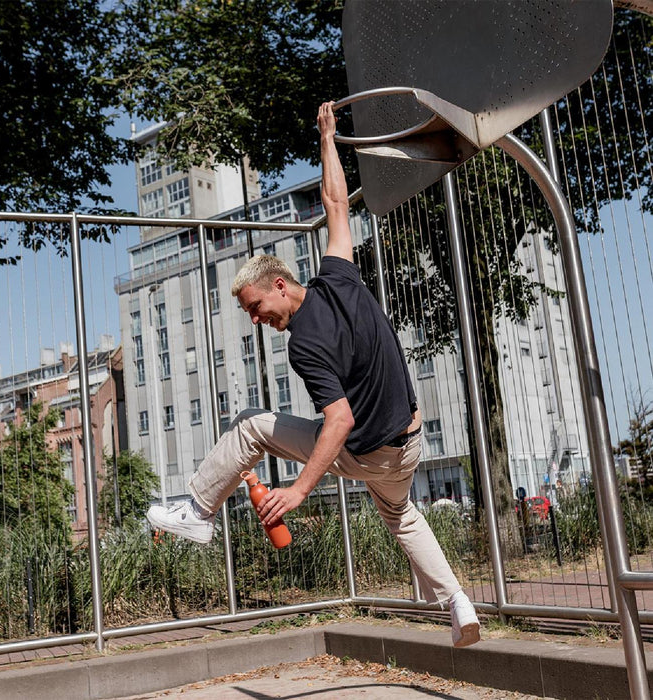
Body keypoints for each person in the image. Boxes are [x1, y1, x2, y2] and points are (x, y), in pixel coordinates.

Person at [147, 101, 481, 648]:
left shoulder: (304, 344)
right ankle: (458, 603)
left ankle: (198, 511)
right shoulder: (339, 277)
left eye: (256, 307)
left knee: (251, 425)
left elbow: (339, 420)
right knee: (400, 514)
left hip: (369, 452)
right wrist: (328, 136)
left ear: (280, 285)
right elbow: (336, 204)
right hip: (411, 442)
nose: (256, 320)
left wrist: (300, 490)